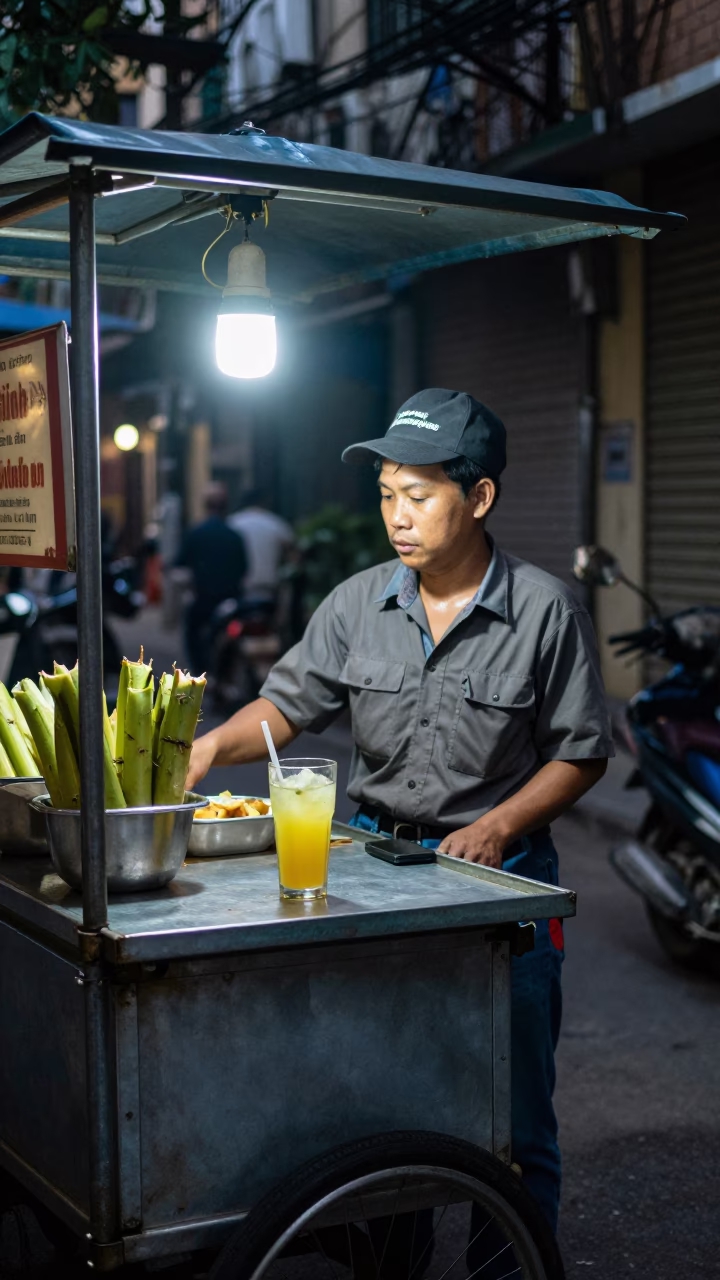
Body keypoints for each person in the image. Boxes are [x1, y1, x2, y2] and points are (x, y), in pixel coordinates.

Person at [187, 388, 614, 1240]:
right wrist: (201, 749)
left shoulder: (545, 610)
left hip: (501, 888)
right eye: (386, 494)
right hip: (375, 875)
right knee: (381, 1099)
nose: (397, 516)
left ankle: (511, 1263)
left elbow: (582, 752)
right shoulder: (355, 603)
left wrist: (497, 824)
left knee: (515, 1118)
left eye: (417, 495)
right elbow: (285, 708)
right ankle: (398, 1257)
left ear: (479, 496)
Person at [176, 483, 247, 675]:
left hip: (204, 599)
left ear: (205, 506)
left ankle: (201, 672)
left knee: (192, 633)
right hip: (232, 599)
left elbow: (180, 564)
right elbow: (244, 569)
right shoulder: (234, 535)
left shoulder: (196, 533)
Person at [227, 489, 296, 606]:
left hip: (239, 589)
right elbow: (294, 557)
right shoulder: (276, 523)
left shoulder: (232, 523)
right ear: (264, 503)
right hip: (269, 588)